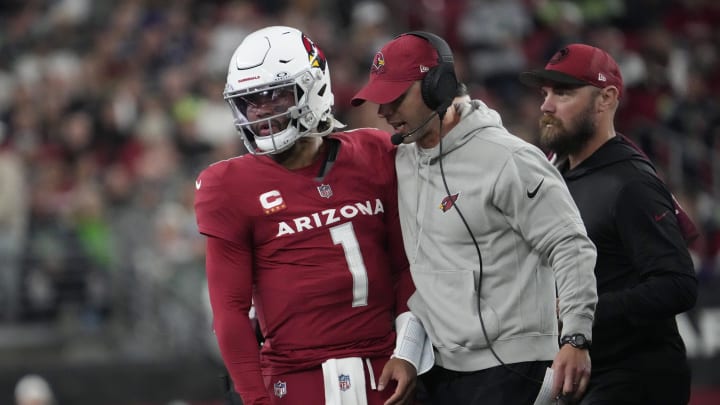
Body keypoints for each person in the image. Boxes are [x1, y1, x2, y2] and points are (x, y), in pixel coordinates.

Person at [351, 31, 598, 405]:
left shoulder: (508, 158)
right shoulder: (401, 160)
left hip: (510, 367)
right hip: (439, 369)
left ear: (438, 88)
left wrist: (576, 336)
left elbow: (570, 245)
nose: (384, 112)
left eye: (396, 98)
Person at [194, 26, 429, 405]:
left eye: (275, 96)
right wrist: (255, 399)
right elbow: (230, 311)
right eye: (251, 101)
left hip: (384, 367)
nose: (262, 111)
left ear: (314, 86)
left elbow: (408, 266)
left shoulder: (376, 152)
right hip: (295, 376)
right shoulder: (228, 185)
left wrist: (408, 351)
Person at [519, 43, 698, 404]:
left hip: (633, 376)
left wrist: (581, 313)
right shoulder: (555, 172)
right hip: (577, 372)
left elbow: (677, 285)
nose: (546, 105)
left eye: (564, 92)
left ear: (606, 98)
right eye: (546, 92)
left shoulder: (630, 182)